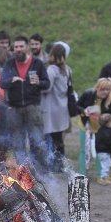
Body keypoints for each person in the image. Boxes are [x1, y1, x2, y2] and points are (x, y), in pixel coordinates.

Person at [0, 36, 50, 167]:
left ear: (27, 47)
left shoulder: (37, 63)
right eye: (16, 47)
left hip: (32, 107)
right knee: (17, 143)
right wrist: (12, 80)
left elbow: (47, 83)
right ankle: (22, 173)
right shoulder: (9, 63)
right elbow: (2, 83)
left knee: (37, 142)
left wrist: (39, 82)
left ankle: (42, 172)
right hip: (14, 108)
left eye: (21, 46)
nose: (18, 49)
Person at [40, 43, 71, 171]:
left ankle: (52, 164)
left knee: (50, 137)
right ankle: (61, 164)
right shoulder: (67, 69)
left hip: (51, 108)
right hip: (62, 107)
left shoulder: (52, 69)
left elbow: (47, 87)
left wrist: (36, 86)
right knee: (59, 138)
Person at [95, 114, 111, 185]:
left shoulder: (103, 130)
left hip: (104, 151)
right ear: (108, 123)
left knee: (107, 163)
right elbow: (110, 141)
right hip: (103, 151)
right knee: (105, 164)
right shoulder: (106, 132)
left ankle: (106, 176)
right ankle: (103, 178)